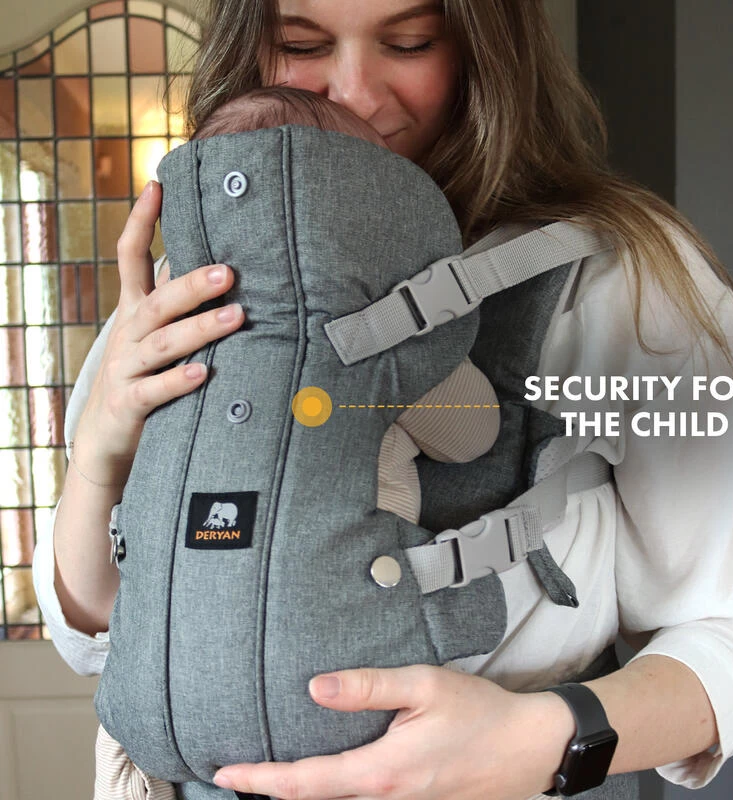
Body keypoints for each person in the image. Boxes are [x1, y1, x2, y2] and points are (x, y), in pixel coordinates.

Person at [32, 1, 733, 799]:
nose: (356, 92)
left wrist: (535, 740)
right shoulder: (190, 286)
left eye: (408, 43)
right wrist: (102, 452)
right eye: (300, 44)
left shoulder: (618, 277)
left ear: (482, 52)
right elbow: (92, 633)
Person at [92, 83, 501, 800]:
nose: (358, 86)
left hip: (156, 713)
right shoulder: (380, 336)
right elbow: (473, 434)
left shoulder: (160, 335)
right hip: (340, 701)